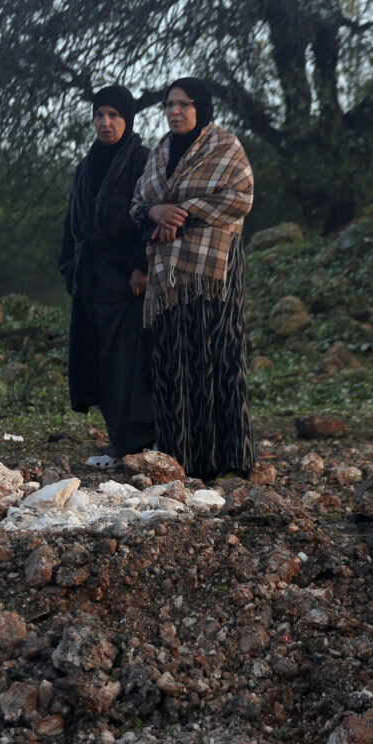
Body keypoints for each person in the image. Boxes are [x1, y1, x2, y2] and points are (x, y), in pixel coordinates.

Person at [130, 76, 257, 479]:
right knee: (173, 363)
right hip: (168, 277)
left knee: (219, 358)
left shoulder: (224, 147)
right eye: (169, 105)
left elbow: (239, 197)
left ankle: (232, 459)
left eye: (183, 104)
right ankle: (179, 459)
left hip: (213, 271)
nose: (175, 112)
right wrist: (155, 214)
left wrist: (179, 216)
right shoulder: (158, 154)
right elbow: (137, 204)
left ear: (201, 107)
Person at [60, 85, 153, 467]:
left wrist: (142, 265)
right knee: (98, 358)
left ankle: (134, 442)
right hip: (91, 276)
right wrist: (69, 267)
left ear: (127, 119)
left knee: (126, 361)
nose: (105, 122)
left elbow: (151, 214)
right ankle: (119, 439)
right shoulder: (88, 164)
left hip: (126, 279)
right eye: (100, 115)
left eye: (114, 115)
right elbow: (72, 221)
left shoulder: (142, 160)